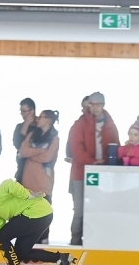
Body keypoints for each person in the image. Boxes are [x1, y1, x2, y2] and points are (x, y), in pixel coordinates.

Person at [68, 92, 119, 245]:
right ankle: (75, 242)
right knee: (79, 210)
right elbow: (76, 148)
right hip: (80, 173)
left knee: (100, 209)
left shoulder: (110, 125)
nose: (95, 107)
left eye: (98, 104)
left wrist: (107, 164)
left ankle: (96, 241)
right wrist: (93, 162)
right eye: (92, 104)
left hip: (102, 174)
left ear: (103, 105)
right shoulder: (79, 124)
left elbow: (116, 146)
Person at [18, 109, 60, 244]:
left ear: (49, 120)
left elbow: (48, 157)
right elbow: (22, 151)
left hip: (43, 181)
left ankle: (43, 240)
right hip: (28, 179)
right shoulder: (31, 135)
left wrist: (31, 155)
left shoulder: (54, 138)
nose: (38, 119)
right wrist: (39, 151)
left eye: (42, 117)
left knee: (43, 212)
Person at [13, 98, 37, 181]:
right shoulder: (19, 127)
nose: (22, 114)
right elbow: (18, 144)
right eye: (21, 111)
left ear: (32, 111)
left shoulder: (40, 126)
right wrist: (26, 124)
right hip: (22, 168)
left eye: (24, 111)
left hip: (37, 170)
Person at [64, 95, 89, 163]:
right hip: (80, 165)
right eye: (84, 107)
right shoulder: (76, 126)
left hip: (102, 166)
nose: (86, 110)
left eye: (88, 107)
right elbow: (69, 151)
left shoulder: (106, 125)